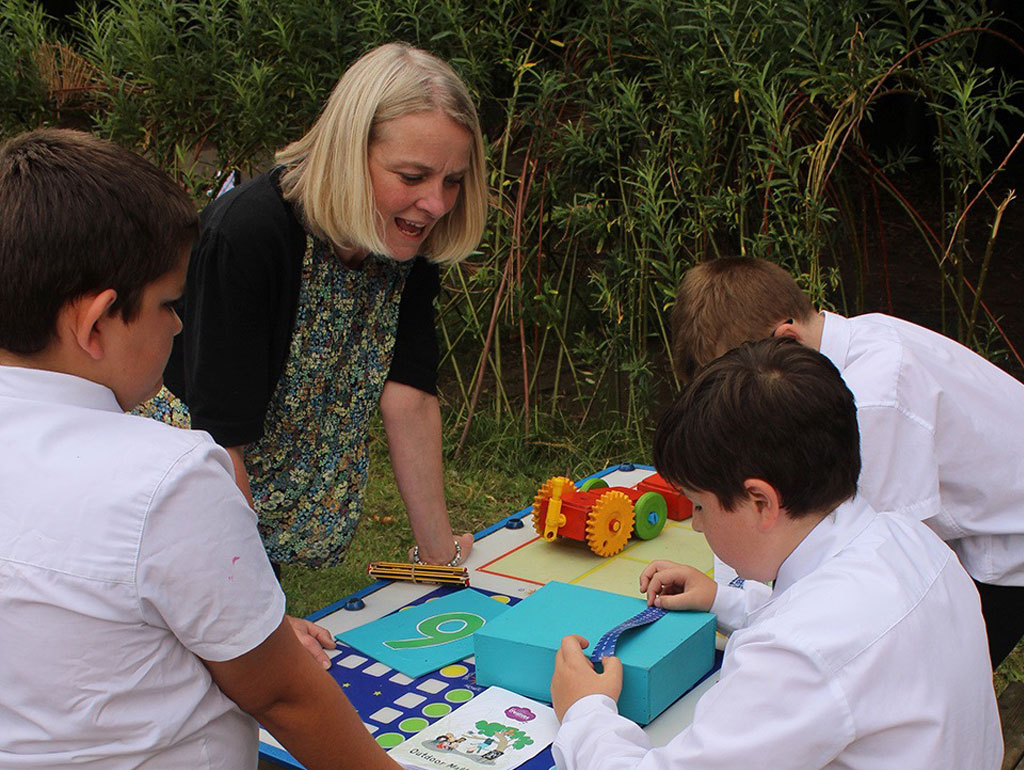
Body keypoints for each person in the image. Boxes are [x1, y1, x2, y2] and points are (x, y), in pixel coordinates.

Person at [0, 128, 403, 769]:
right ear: (97, 321)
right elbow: (283, 695)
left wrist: (251, 631)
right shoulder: (169, 477)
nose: (180, 324)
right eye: (168, 304)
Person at [550, 338, 1002, 770]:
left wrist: (584, 711)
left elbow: (813, 647)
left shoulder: (795, 655)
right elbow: (837, 629)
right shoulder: (910, 540)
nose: (699, 524)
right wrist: (725, 600)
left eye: (702, 506)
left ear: (761, 503)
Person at [153, 42, 488, 572]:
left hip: (258, 483)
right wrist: (260, 614)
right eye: (412, 177)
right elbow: (218, 444)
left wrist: (438, 559)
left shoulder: (408, 237)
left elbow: (410, 396)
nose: (438, 204)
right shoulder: (248, 234)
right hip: (179, 496)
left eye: (452, 180)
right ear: (349, 153)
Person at [669, 256, 1024, 666]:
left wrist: (754, 620)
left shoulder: (873, 399)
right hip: (972, 528)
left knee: (929, 665)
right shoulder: (858, 341)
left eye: (743, 386)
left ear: (785, 342)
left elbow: (874, 575)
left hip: (1006, 546)